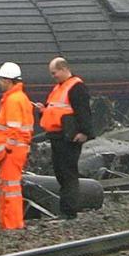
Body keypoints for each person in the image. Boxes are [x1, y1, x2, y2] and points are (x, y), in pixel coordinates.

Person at [35, 57, 93, 220]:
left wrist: (84, 132)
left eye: (54, 73)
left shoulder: (76, 87)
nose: (53, 76)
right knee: (61, 172)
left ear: (63, 69)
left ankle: (69, 211)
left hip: (69, 137)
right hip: (58, 136)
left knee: (68, 173)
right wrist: (42, 111)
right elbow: (56, 110)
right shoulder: (59, 88)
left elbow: (84, 111)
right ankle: (66, 209)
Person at [0, 62, 34, 230]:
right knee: (10, 188)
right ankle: (9, 223)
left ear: (9, 80)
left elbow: (13, 129)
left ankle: (12, 224)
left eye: (1, 79)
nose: (0, 83)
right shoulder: (20, 98)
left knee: (10, 189)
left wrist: (6, 149)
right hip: (17, 150)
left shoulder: (13, 100)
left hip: (11, 151)